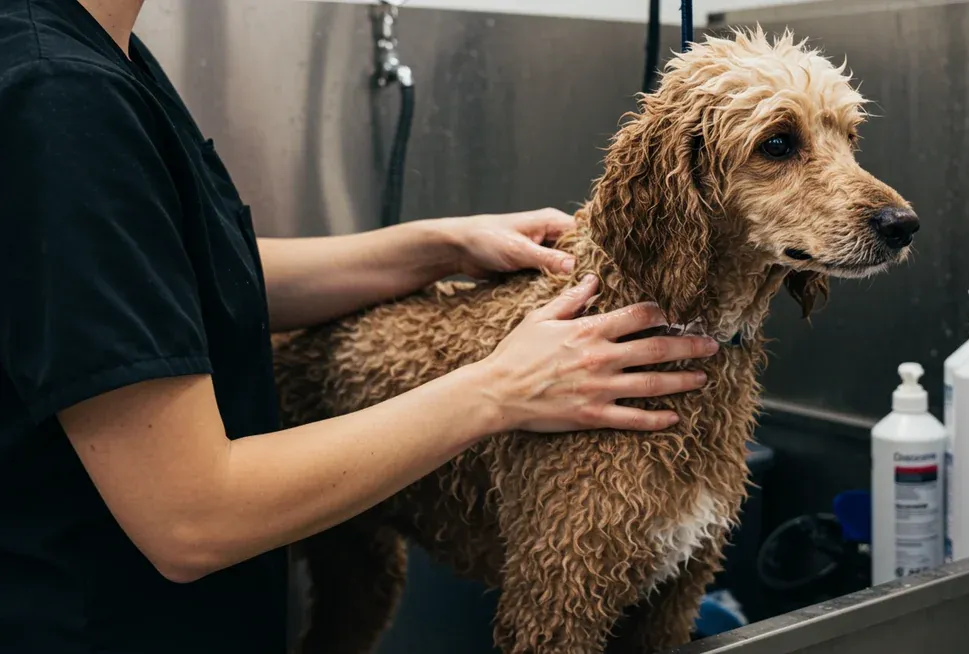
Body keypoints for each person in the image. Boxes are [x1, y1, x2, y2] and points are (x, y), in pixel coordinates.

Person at [0, 1, 719, 652]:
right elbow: (191, 516)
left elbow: (168, 276)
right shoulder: (60, 94)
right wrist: (500, 388)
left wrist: (432, 246)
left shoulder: (104, 49)